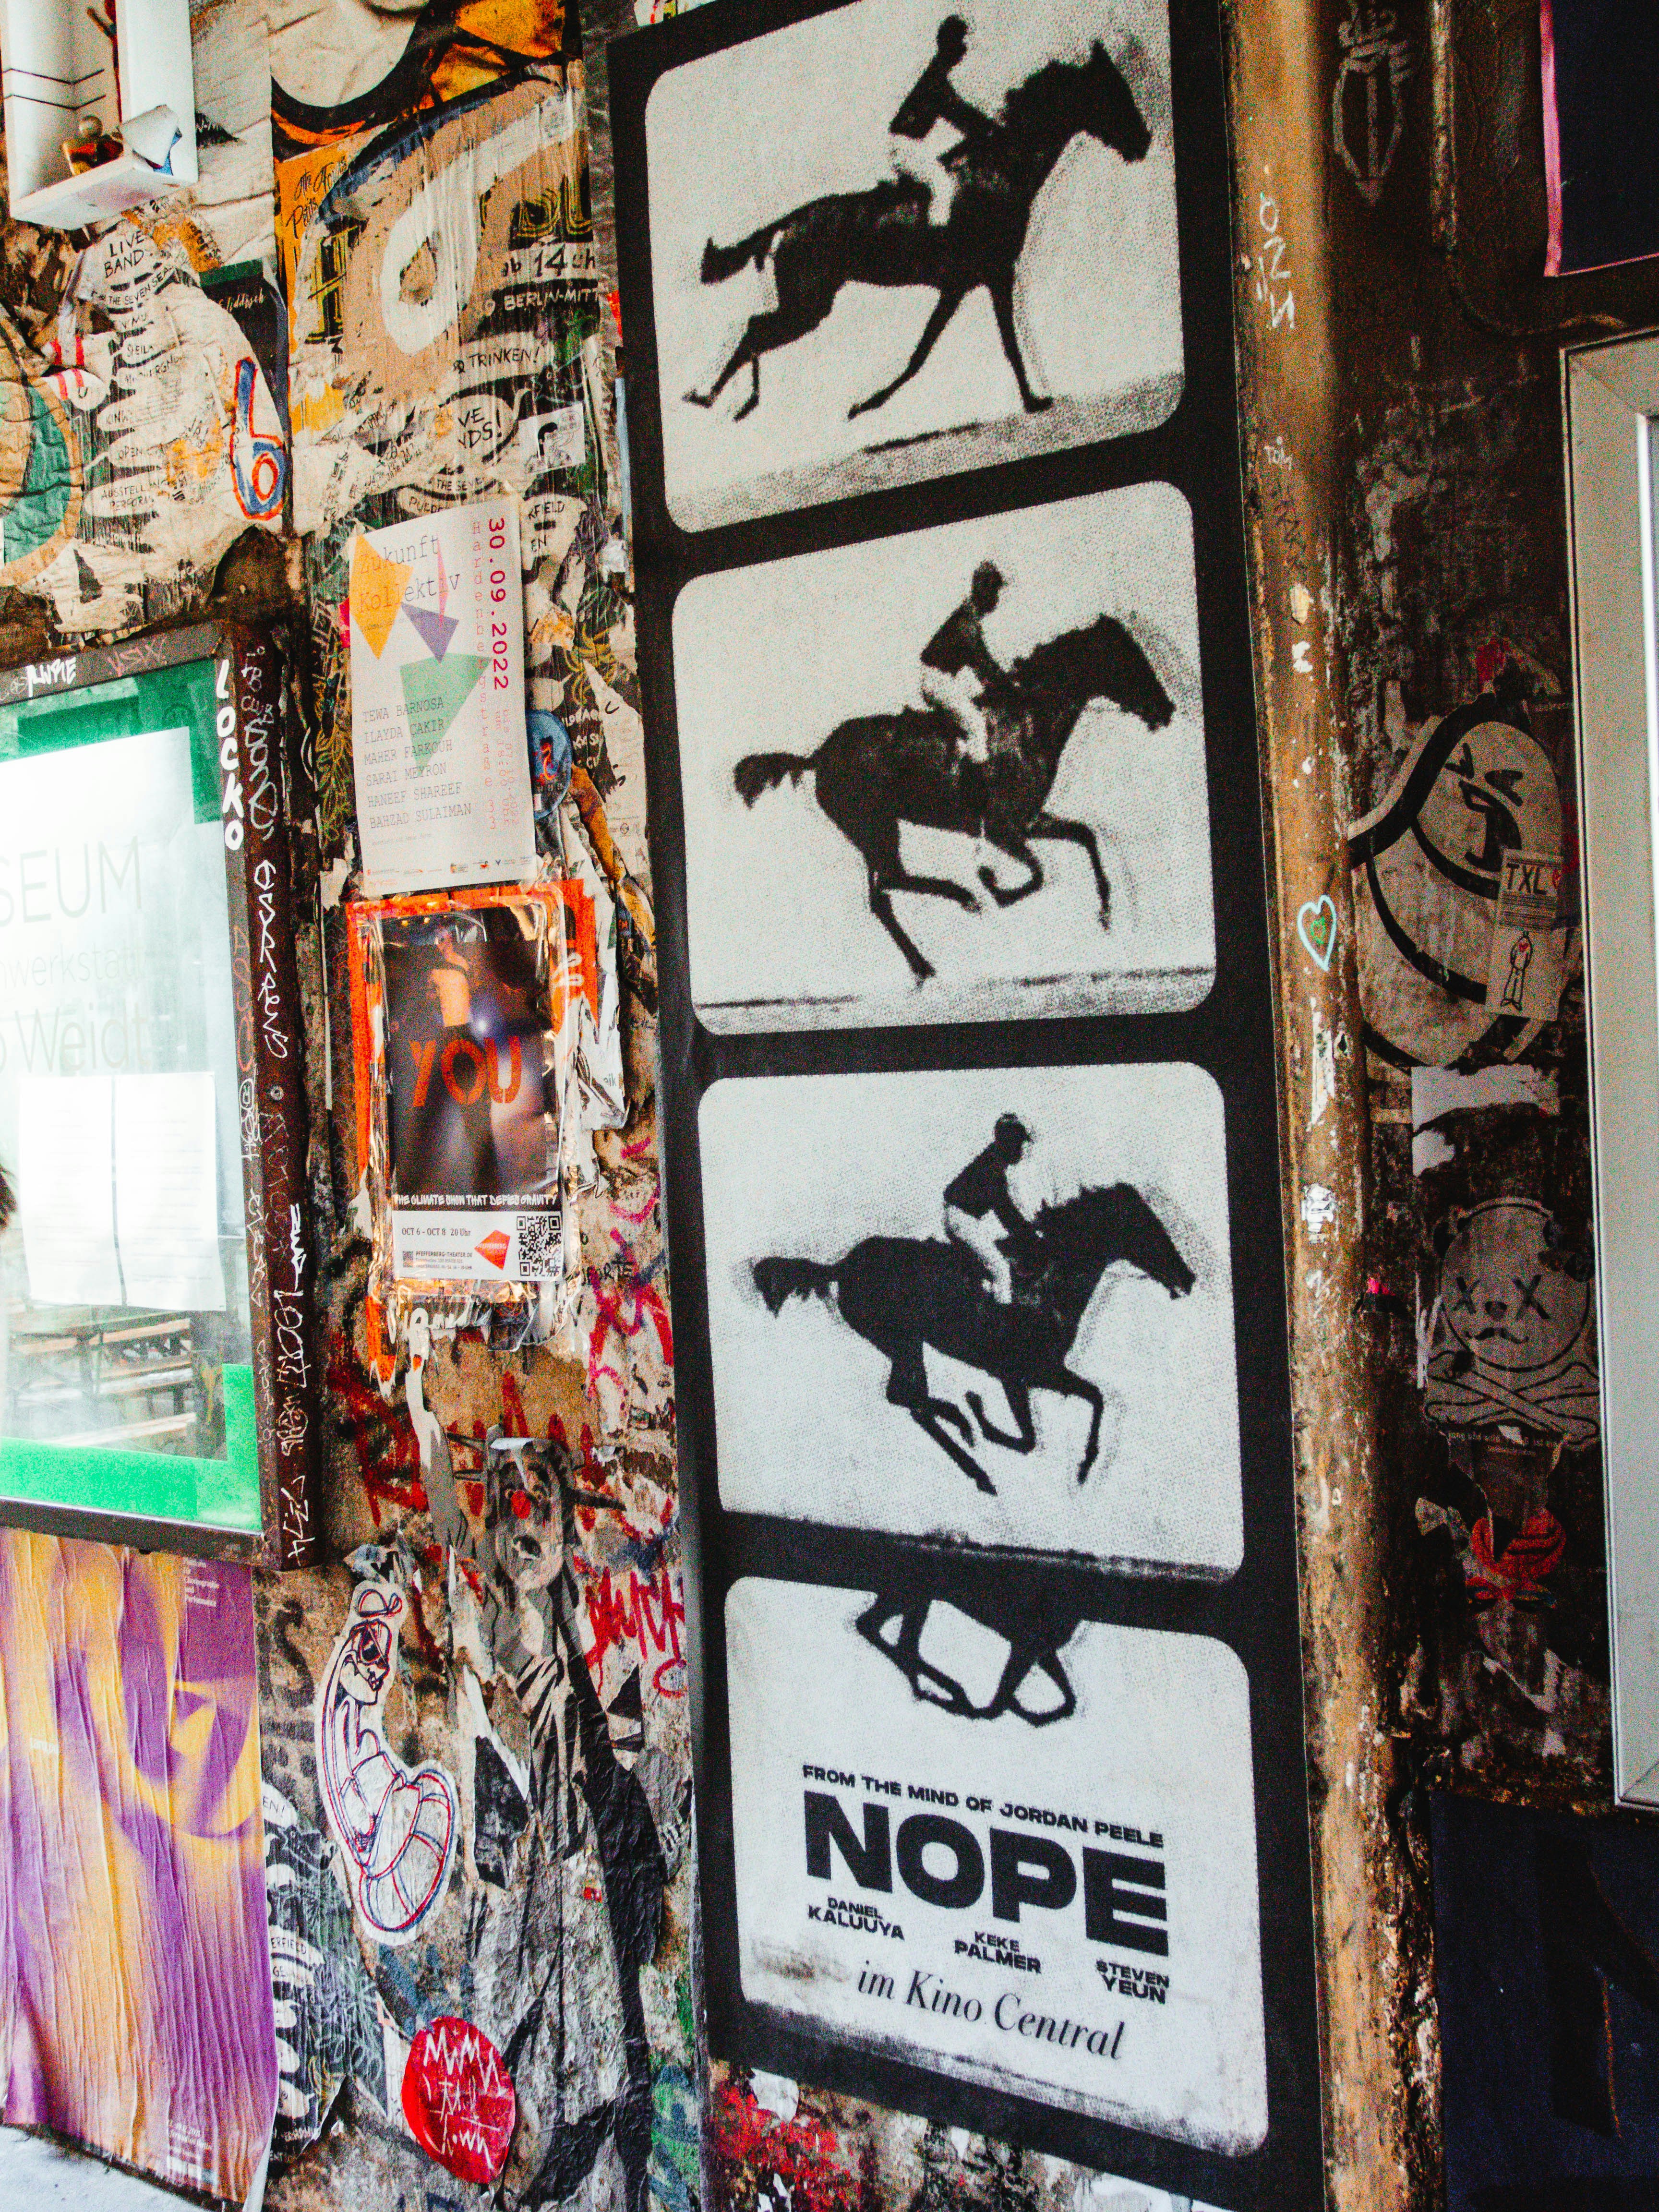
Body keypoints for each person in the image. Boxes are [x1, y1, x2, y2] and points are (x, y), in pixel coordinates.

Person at [921, 560, 1006, 769]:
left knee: (978, 708)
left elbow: (983, 662)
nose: (996, 599)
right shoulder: (966, 624)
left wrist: (1001, 679)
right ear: (984, 592)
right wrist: (1007, 684)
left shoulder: (968, 618)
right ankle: (975, 781)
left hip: (943, 678)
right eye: (994, 592)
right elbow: (982, 663)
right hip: (937, 680)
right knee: (977, 725)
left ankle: (961, 756)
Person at [944, 1113, 1033, 1304]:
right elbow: (1006, 1212)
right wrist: (1029, 1237)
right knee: (1001, 1270)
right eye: (1018, 1143)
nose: (1021, 1150)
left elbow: (1007, 1209)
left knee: (986, 1278)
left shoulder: (991, 1161)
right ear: (1009, 1143)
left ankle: (987, 1311)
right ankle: (1004, 1319)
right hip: (963, 1220)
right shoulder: (992, 1167)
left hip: (961, 1218)